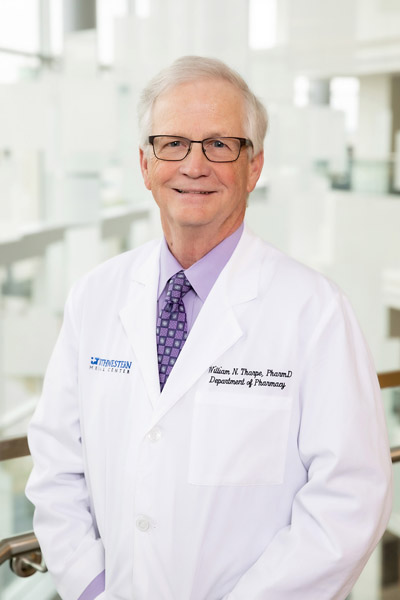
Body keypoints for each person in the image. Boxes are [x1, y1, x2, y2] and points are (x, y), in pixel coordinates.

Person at [26, 56, 392, 600]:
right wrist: (91, 586)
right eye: (173, 143)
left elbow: (348, 500)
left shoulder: (316, 312)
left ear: (255, 166)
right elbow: (58, 464)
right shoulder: (95, 297)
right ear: (145, 165)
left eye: (220, 145)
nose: (194, 166)